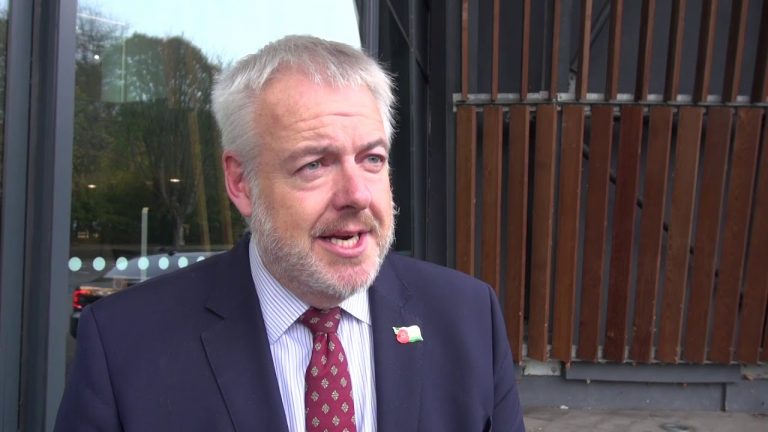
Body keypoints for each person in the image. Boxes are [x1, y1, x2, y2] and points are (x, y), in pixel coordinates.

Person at [55, 35, 525, 432]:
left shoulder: (467, 319)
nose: (357, 195)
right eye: (314, 164)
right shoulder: (126, 345)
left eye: (372, 158)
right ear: (241, 182)